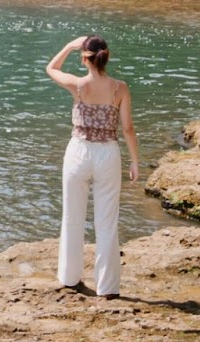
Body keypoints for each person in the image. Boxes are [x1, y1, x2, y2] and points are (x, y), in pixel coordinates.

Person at [44, 34, 140, 298]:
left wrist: (67, 45)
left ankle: (69, 277)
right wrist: (134, 160)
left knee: (73, 217)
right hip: (108, 153)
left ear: (85, 58)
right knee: (107, 222)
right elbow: (128, 129)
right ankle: (107, 287)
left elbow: (50, 69)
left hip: (78, 151)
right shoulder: (120, 88)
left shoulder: (77, 85)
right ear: (106, 57)